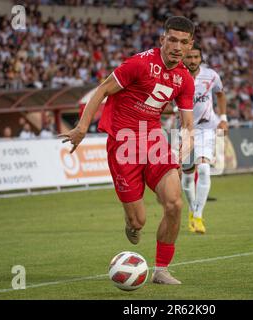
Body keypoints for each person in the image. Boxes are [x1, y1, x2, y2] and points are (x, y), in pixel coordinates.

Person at [59, 16, 195, 285]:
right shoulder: (139, 63)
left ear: (190, 45)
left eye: (183, 42)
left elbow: (188, 124)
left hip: (154, 140)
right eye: (172, 40)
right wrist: (82, 128)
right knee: (138, 222)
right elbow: (102, 90)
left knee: (175, 203)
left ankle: (161, 269)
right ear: (162, 40)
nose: (177, 46)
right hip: (123, 143)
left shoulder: (185, 79)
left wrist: (182, 151)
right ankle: (130, 221)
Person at [180, 43, 228, 234]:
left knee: (205, 169)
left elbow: (221, 95)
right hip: (184, 130)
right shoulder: (176, 77)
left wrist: (223, 118)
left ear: (201, 58)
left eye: (195, 57)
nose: (192, 60)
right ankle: (192, 210)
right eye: (189, 57)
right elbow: (166, 104)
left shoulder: (211, 75)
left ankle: (199, 215)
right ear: (183, 58)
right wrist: (176, 109)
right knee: (187, 176)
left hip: (207, 128)